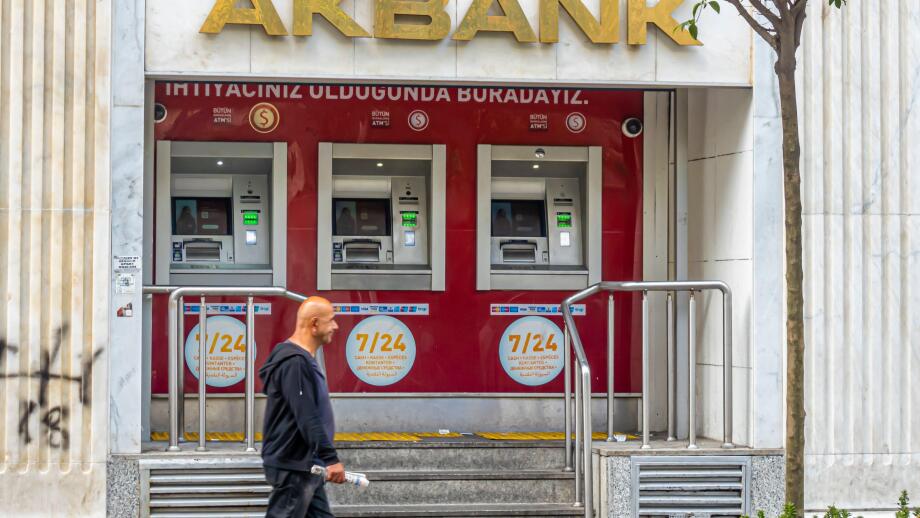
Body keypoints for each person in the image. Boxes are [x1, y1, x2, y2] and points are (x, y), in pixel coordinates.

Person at [260, 296, 345, 517]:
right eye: (331, 320)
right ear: (315, 323)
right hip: (293, 465)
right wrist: (331, 458)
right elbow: (306, 415)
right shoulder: (294, 362)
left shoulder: (301, 360)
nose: (335, 326)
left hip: (306, 465)